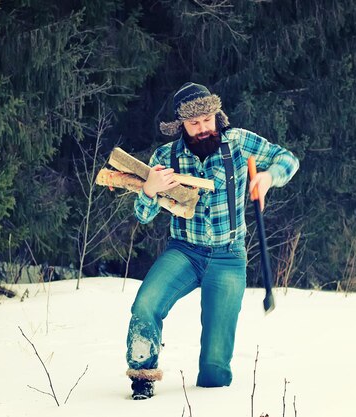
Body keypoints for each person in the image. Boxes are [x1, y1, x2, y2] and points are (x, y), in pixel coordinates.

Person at [125, 82, 299, 400]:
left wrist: (268, 177)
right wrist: (149, 189)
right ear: (181, 125)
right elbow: (143, 215)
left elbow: (287, 159)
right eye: (195, 123)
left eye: (208, 120)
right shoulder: (166, 157)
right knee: (145, 304)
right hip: (184, 251)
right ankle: (142, 378)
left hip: (228, 256)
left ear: (216, 115)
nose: (204, 128)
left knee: (215, 369)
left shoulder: (239, 142)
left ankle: (211, 399)